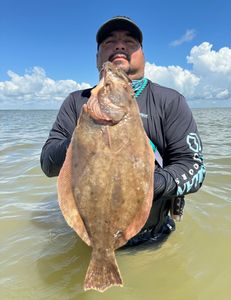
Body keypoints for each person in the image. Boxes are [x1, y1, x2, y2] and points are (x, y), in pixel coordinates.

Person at [40, 16, 206, 247]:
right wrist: (83, 134)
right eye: (109, 41)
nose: (119, 45)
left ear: (143, 55)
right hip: (89, 236)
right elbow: (48, 165)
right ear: (97, 56)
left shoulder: (170, 101)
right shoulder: (76, 102)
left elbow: (194, 168)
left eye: (130, 41)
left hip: (151, 238)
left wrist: (148, 185)